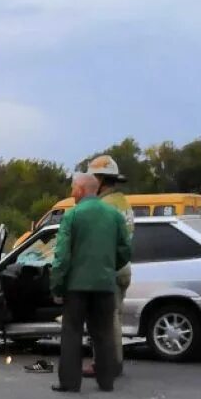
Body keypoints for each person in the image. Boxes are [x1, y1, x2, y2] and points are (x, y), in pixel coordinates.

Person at [50, 173, 132, 393]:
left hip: (76, 287)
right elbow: (125, 250)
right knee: (104, 333)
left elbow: (61, 257)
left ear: (82, 189)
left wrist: (57, 285)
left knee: (72, 334)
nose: (71, 192)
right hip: (105, 285)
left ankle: (69, 382)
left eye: (73, 188)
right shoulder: (114, 215)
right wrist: (108, 267)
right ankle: (106, 382)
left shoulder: (73, 215)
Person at [85, 155, 135, 379]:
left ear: (100, 181)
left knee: (104, 321)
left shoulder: (103, 206)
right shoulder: (122, 202)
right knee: (114, 319)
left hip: (108, 270)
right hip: (123, 268)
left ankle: (107, 365)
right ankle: (112, 362)